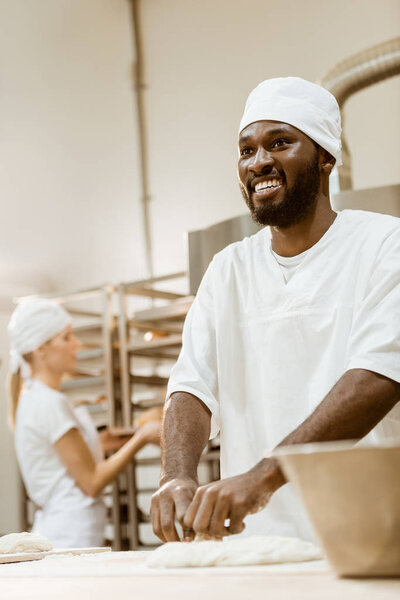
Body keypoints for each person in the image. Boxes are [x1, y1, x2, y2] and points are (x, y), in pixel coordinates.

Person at [150, 77, 400, 543]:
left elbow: (377, 375)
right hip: (256, 547)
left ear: (325, 156)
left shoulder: (384, 244)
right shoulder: (228, 269)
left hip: (368, 543)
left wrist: (263, 477)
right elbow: (191, 388)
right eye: (246, 150)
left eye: (280, 143)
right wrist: (175, 476)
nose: (259, 161)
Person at [7, 298, 160, 548]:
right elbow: (92, 482)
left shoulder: (33, 397)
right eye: (67, 338)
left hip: (62, 527)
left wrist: (100, 443)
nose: (77, 344)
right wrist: (141, 437)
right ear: (40, 349)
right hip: (70, 533)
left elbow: (60, 461)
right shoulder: (49, 403)